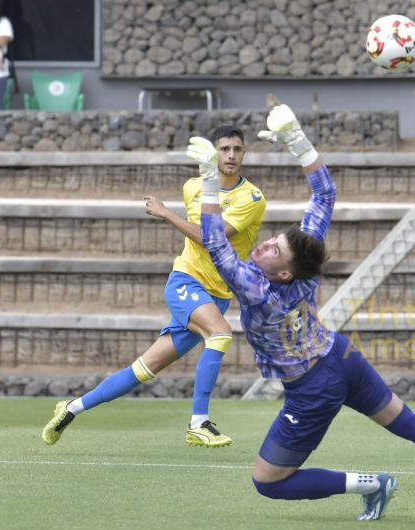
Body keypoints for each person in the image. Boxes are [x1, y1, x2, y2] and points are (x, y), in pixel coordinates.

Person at [193, 104, 415, 523]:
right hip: (341, 359)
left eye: (273, 248)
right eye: (272, 239)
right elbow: (325, 193)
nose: (264, 246)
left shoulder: (257, 288)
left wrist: (208, 179)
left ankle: (372, 483)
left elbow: (215, 243)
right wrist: (297, 140)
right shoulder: (302, 267)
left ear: (284, 271)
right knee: (405, 421)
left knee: (268, 482)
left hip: (312, 387)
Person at [42, 125, 266, 448]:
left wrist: (165, 213)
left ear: (245, 153)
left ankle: (71, 408)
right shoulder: (192, 187)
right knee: (220, 334)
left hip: (217, 296)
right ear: (213, 153)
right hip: (185, 282)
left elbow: (211, 238)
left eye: (237, 149)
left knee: (144, 369)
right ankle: (199, 422)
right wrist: (176, 209)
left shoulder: (252, 198)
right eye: (224, 149)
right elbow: (200, 236)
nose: (231, 155)